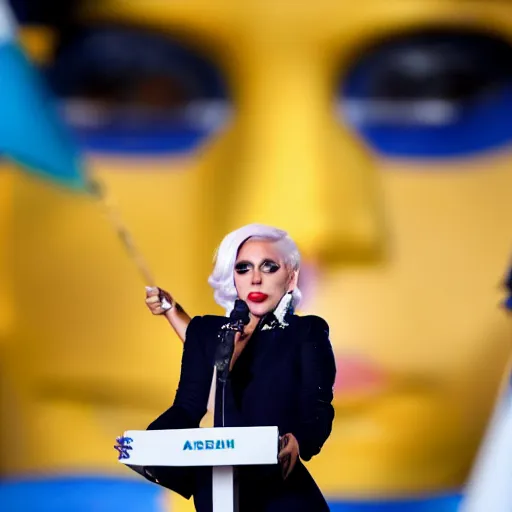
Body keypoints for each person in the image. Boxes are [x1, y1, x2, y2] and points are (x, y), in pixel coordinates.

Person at [136, 223, 336, 511]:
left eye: (269, 267)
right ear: (232, 276)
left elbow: (318, 405)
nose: (255, 278)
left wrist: (300, 440)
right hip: (218, 482)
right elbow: (188, 406)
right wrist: (147, 444)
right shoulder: (208, 331)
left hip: (278, 484)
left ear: (291, 277)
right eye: (243, 268)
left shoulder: (306, 331)